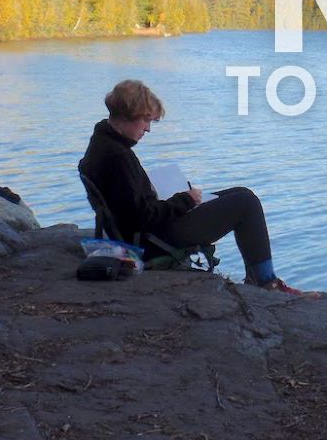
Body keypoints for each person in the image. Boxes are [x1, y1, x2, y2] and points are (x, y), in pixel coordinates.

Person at [79, 79, 304, 295]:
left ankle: (260, 278)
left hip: (140, 230)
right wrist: (185, 200)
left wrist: (172, 198)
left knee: (242, 193)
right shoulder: (118, 156)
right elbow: (142, 217)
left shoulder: (104, 139)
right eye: (145, 121)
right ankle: (266, 283)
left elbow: (129, 202)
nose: (148, 129)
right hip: (150, 240)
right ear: (128, 116)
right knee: (246, 204)